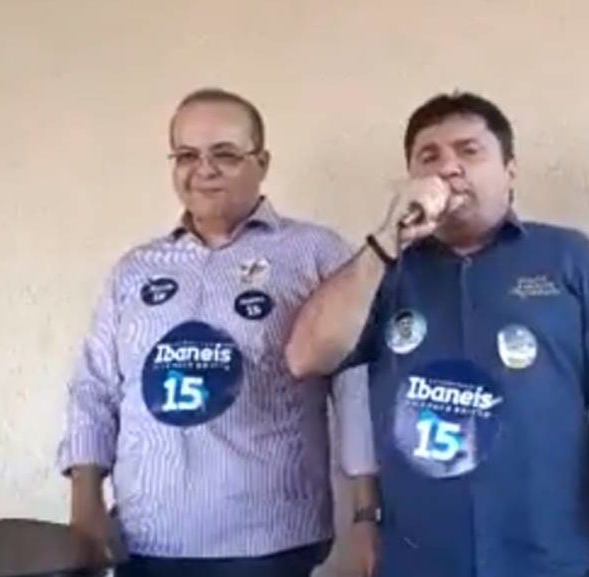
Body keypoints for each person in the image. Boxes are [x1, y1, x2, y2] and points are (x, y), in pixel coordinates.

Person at [285, 92, 589, 577]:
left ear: (509, 171)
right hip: (419, 560)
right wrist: (387, 237)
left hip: (552, 558)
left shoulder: (569, 259)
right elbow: (307, 356)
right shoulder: (384, 273)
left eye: (469, 151)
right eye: (429, 157)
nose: (448, 168)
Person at [58, 88, 378, 577]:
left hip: (270, 540)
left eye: (224, 154)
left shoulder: (316, 254)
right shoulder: (135, 270)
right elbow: (94, 389)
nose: (203, 170)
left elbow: (355, 388)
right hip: (146, 538)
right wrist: (85, 509)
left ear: (262, 163)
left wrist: (365, 514)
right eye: (187, 155)